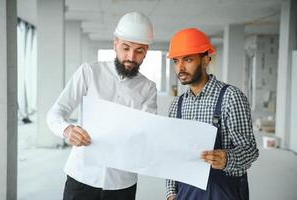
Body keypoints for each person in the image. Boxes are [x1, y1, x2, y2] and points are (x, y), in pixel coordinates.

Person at [47, 12, 157, 200]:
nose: (131, 56)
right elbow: (55, 113)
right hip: (81, 176)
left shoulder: (148, 88)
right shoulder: (89, 72)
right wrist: (67, 129)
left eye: (139, 51)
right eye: (126, 47)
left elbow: (146, 134)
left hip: (122, 183)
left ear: (146, 51)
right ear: (115, 43)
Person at [165, 28, 259, 200]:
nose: (181, 67)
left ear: (206, 60)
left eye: (188, 59)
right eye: (176, 61)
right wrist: (171, 192)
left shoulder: (231, 97)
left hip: (223, 192)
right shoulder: (176, 105)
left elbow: (250, 151)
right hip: (185, 192)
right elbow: (173, 156)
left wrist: (227, 159)